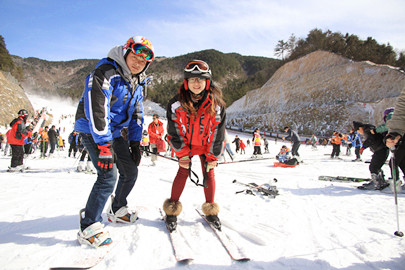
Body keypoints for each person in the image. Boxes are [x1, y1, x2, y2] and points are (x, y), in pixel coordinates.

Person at [74, 35, 155, 247]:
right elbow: (97, 106)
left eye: (143, 60)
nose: (138, 62)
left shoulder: (137, 81)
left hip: (115, 132)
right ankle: (88, 226)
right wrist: (103, 145)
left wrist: (136, 142)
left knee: (130, 171)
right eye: (135, 56)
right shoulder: (106, 72)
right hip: (94, 130)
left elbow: (137, 112)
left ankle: (117, 208)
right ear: (126, 52)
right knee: (107, 176)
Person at [163, 59, 226, 232]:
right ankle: (171, 211)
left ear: (207, 82)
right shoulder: (176, 104)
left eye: (200, 79)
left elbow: (218, 133)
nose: (196, 83)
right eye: (192, 79)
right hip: (187, 146)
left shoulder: (217, 105)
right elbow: (174, 131)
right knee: (182, 172)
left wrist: (212, 157)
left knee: (209, 173)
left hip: (206, 146)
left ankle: (211, 211)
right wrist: (182, 154)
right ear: (186, 82)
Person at [354, 120, 390, 190]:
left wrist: (363, 147)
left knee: (373, 167)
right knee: (377, 166)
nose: (359, 133)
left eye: (358, 131)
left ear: (360, 128)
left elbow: (371, 139)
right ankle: (381, 181)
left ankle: (376, 183)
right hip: (382, 149)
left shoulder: (367, 130)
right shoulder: (369, 129)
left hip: (381, 150)